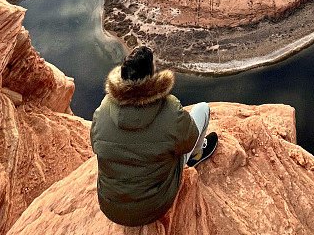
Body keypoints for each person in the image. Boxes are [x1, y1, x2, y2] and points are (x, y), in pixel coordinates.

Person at [90, 45, 218, 227]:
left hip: (111, 207)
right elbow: (188, 141)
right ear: (151, 75)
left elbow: (95, 144)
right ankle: (197, 156)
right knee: (202, 109)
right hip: (155, 206)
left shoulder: (103, 108)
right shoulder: (170, 108)